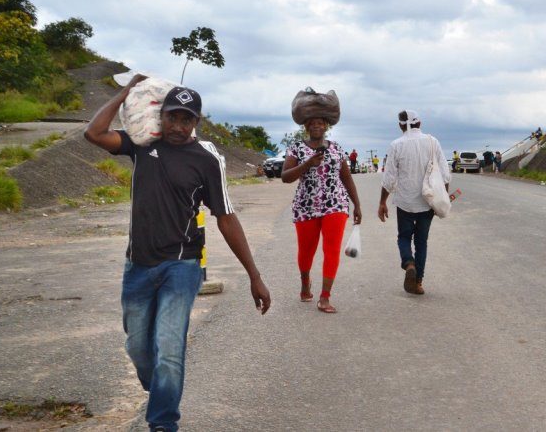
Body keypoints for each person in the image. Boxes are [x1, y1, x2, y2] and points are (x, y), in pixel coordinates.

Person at [84, 75, 271, 432]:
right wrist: (125, 92)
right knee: (139, 348)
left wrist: (254, 275)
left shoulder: (206, 158)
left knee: (169, 349)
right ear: (161, 115)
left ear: (196, 123)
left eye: (187, 119)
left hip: (182, 264)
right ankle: (162, 393)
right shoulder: (140, 144)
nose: (178, 126)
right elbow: (93, 134)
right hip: (137, 264)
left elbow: (226, 218)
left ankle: (163, 423)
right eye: (173, 116)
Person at [281, 87, 362, 314]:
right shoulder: (296, 148)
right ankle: (305, 282)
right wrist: (307, 164)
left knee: (332, 249)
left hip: (335, 205)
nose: (317, 126)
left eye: (321, 123)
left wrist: (357, 205)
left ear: (327, 126)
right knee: (306, 251)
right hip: (305, 207)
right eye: (312, 123)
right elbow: (285, 177)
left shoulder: (337, 149)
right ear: (306, 126)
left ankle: (325, 297)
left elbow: (346, 179)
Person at [378, 110, 451, 295]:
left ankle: (408, 263)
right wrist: (442, 197)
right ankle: (418, 282)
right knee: (421, 242)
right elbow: (444, 173)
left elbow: (389, 178)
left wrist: (382, 202)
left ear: (400, 125)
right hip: (427, 201)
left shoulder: (396, 145)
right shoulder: (432, 142)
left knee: (404, 237)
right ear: (420, 123)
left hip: (405, 202)